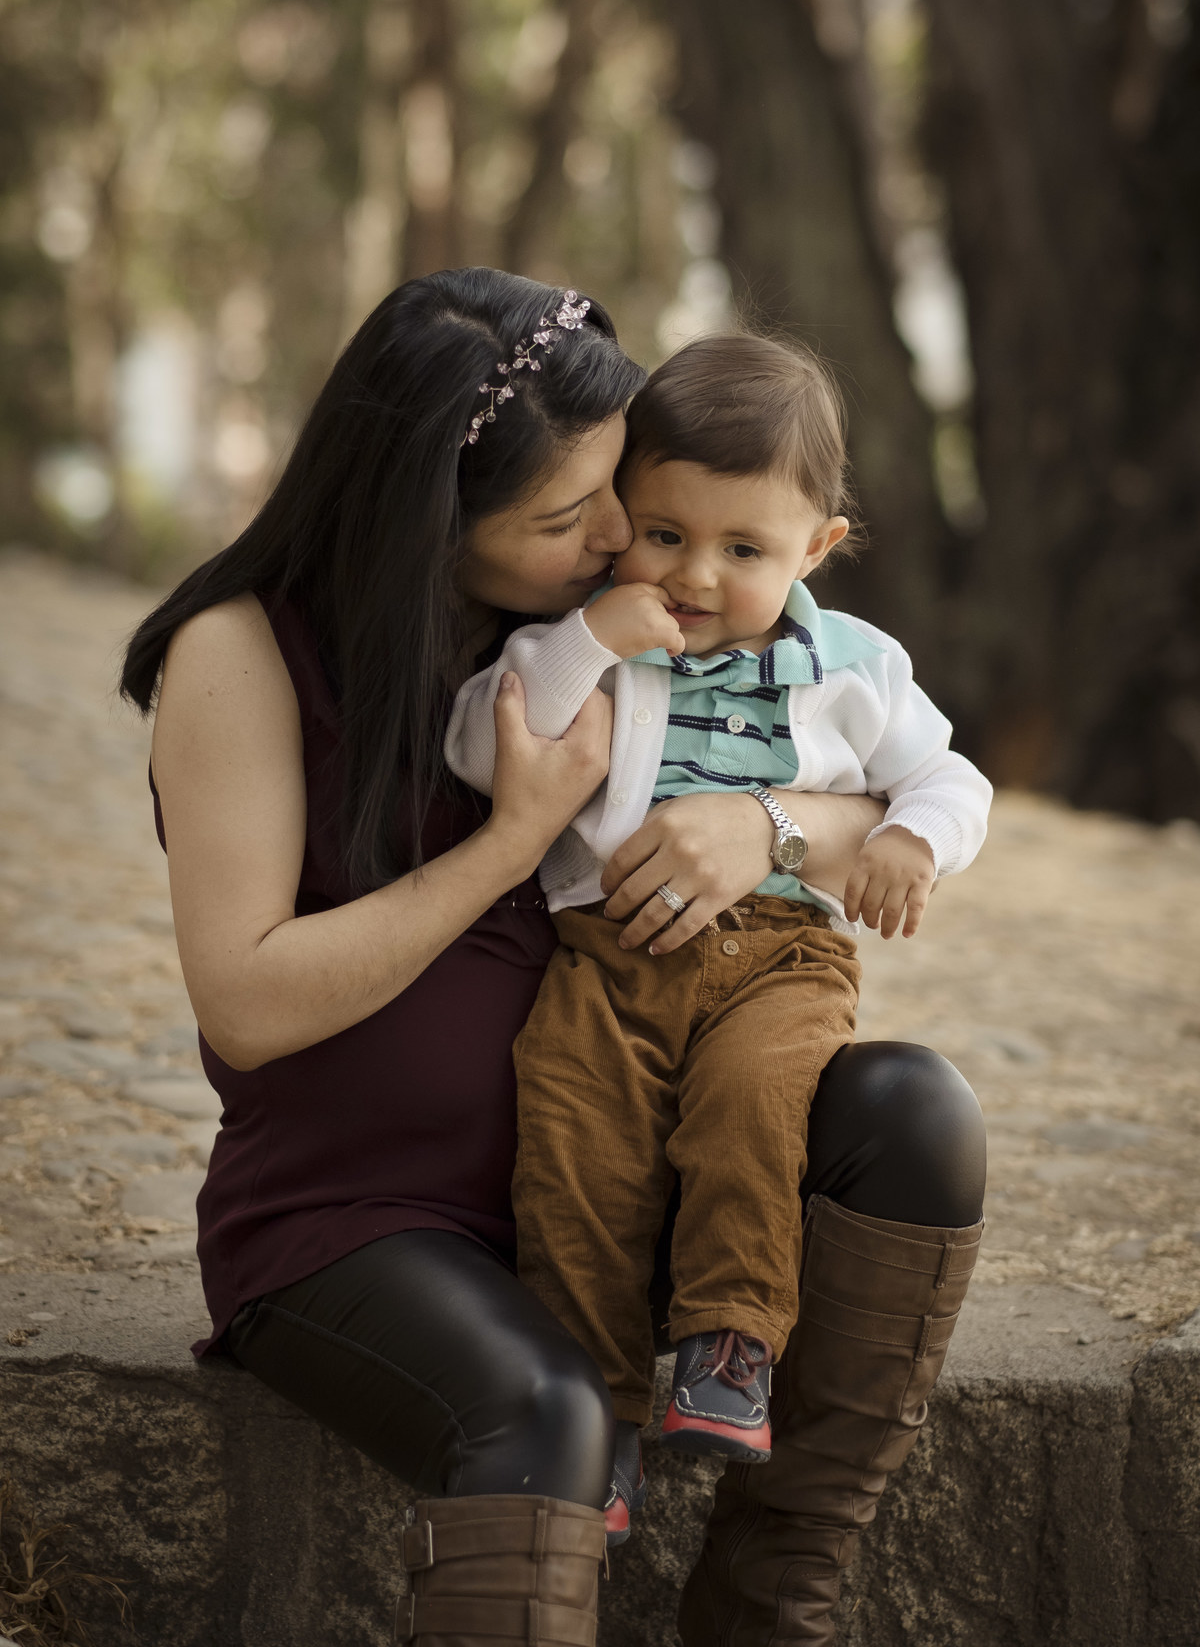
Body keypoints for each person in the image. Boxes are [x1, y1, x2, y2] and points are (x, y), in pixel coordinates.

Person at [120, 270, 986, 1647]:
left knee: (915, 1112)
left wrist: (767, 826)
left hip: (643, 1173)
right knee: (547, 1411)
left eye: (614, 496)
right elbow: (248, 997)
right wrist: (506, 841)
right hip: (370, 1224)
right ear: (430, 516)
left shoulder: (637, 626)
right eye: (568, 518)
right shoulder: (249, 654)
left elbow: (886, 792)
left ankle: (770, 1612)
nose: (620, 549)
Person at [447, 328, 991, 1537]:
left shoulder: (855, 668)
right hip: (609, 952)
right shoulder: (592, 639)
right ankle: (598, 1412)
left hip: (781, 958)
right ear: (621, 513)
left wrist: (912, 840)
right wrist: (593, 641)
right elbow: (481, 740)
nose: (695, 574)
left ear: (818, 546)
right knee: (576, 1140)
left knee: (753, 1106)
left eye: (743, 549)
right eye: (667, 533)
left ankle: (729, 1346)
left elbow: (952, 779)